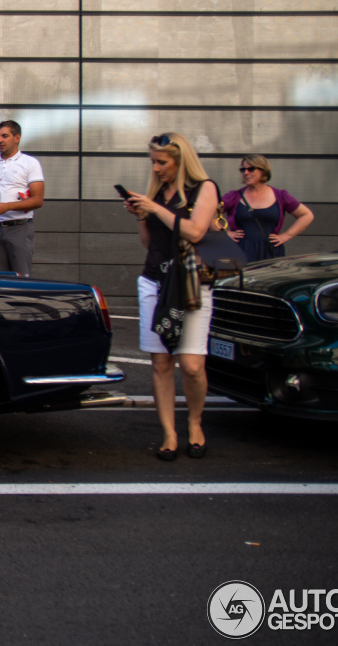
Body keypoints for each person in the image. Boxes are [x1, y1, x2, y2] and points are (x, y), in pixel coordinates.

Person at [122, 132, 219, 462]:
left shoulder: (204, 188)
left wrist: (155, 209)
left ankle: (194, 423)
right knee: (161, 362)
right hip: (154, 281)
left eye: (161, 162)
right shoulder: (156, 193)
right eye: (153, 162)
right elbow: (150, 244)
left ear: (180, 160)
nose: (156, 169)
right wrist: (142, 217)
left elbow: (194, 231)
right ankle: (169, 433)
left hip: (190, 285)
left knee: (192, 366)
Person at [0, 119, 44, 276]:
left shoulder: (30, 163)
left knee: (21, 277)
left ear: (17, 138)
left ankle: (22, 302)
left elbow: (38, 200)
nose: (0, 140)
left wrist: (7, 206)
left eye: (5, 136)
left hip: (19, 227)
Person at [222, 155, 314, 263]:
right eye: (243, 170)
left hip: (271, 252)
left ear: (263, 171)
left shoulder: (280, 196)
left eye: (251, 169)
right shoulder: (234, 196)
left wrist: (286, 235)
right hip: (240, 252)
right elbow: (209, 213)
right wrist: (223, 232)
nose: (246, 173)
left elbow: (306, 215)